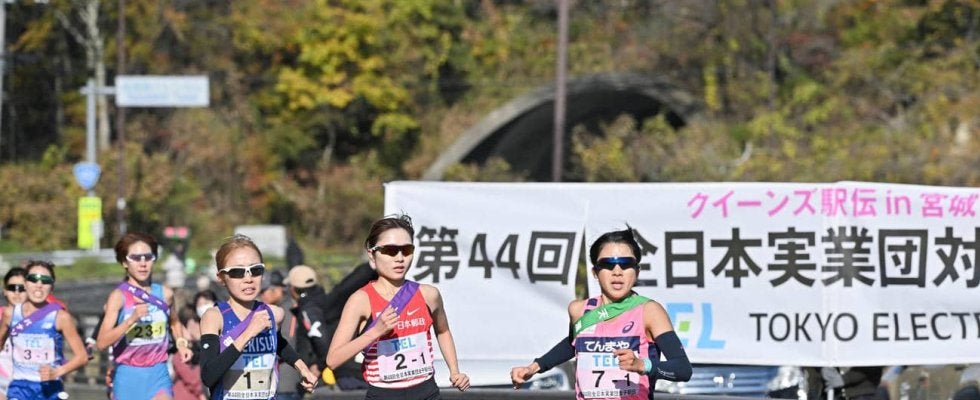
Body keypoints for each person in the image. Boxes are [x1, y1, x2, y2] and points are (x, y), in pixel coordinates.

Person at [510, 227, 692, 399]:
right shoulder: (578, 310)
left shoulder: (649, 311)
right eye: (608, 264)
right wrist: (534, 368)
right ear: (595, 272)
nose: (617, 271)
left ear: (637, 271)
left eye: (626, 264)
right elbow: (572, 344)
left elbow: (683, 369)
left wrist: (642, 365)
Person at [326, 214, 470, 399]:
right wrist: (375, 331)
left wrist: (454, 371)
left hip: (427, 392)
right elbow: (333, 360)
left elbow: (442, 331)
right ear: (372, 254)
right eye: (390, 250)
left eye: (407, 250)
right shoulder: (360, 300)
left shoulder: (428, 294)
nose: (400, 258)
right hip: (384, 394)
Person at [199, 234, 318, 399]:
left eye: (255, 270)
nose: (248, 279)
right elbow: (208, 375)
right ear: (221, 278)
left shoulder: (274, 314)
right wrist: (248, 333)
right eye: (237, 272)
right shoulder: (214, 317)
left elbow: (279, 344)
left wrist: (302, 368)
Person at [95, 232, 191, 400]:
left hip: (158, 373)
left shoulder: (165, 294)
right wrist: (131, 320)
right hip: (128, 375)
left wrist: (181, 344)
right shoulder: (118, 297)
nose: (143, 263)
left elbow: (175, 323)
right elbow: (102, 342)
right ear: (125, 262)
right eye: (135, 258)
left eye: (148, 257)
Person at [0, 260, 89, 400]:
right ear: (25, 284)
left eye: (46, 280)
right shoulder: (10, 314)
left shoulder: (61, 317)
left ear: (51, 287)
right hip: (19, 388)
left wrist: (57, 372)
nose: (39, 285)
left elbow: (82, 357)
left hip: (50, 389)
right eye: (33, 279)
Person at [0, 267, 27, 400]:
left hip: (29, 384)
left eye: (22, 288)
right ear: (5, 291)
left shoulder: (40, 319)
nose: (17, 293)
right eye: (12, 288)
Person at [173, 305, 206, 400]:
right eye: (189, 325)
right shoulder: (180, 355)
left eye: (197, 323)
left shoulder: (203, 348)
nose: (194, 329)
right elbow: (193, 380)